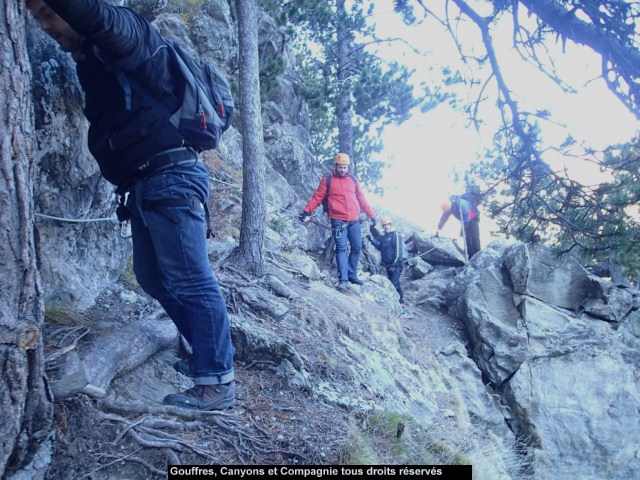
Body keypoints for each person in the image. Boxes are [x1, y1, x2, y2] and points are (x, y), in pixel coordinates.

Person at [26, 0, 235, 410]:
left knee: (191, 279)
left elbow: (96, 17)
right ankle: (203, 354)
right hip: (145, 183)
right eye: (37, 18)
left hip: (170, 177)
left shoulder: (128, 36)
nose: (46, 25)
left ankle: (218, 382)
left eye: (49, 12)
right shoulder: (94, 56)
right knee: (152, 278)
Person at [299, 153, 376, 290]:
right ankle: (343, 279)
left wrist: (372, 215)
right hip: (338, 220)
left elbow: (362, 199)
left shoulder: (353, 180)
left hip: (353, 220)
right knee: (341, 248)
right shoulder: (327, 180)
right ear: (336, 166)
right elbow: (317, 198)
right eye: (340, 167)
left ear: (348, 167)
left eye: (345, 167)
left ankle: (352, 274)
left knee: (357, 246)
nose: (342, 169)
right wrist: (306, 211)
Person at [368, 217, 404, 306]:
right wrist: (371, 240)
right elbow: (381, 247)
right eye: (384, 226)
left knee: (392, 285)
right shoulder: (384, 237)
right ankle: (401, 302)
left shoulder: (395, 235)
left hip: (396, 265)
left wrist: (394, 264)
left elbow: (398, 251)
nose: (386, 227)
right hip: (388, 266)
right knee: (395, 284)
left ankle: (397, 305)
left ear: (390, 225)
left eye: (387, 225)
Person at [436, 194, 481, 259]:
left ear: (449, 207)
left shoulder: (461, 205)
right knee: (466, 238)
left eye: (448, 210)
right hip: (465, 220)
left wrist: (461, 231)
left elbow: (467, 218)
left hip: (473, 217)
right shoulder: (448, 208)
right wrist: (439, 228)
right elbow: (443, 218)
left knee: (474, 236)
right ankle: (470, 256)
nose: (447, 211)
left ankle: (478, 255)